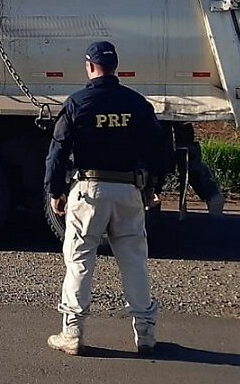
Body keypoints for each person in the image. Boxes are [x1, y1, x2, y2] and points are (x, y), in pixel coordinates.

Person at [45, 41, 162, 357]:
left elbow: (57, 152)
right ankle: (145, 335)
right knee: (134, 262)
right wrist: (153, 186)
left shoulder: (77, 103)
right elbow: (157, 149)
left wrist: (54, 191)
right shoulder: (137, 104)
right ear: (116, 67)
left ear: (89, 65)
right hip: (128, 192)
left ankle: (72, 333)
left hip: (90, 193)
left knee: (80, 260)